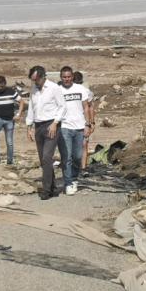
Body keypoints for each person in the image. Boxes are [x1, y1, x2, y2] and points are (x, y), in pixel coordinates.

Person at [25, 65, 67, 200]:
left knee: (47, 157)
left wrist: (55, 123)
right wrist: (29, 127)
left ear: (43, 77)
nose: (35, 82)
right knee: (44, 161)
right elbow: (31, 108)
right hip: (38, 126)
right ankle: (54, 187)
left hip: (51, 125)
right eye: (33, 80)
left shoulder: (54, 88)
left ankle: (46, 190)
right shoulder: (34, 90)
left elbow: (62, 107)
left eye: (36, 79)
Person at [57, 66, 92, 195]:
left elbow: (86, 107)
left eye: (69, 77)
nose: (66, 79)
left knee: (77, 156)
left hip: (79, 127)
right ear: (61, 78)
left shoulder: (81, 89)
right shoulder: (57, 90)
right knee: (67, 156)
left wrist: (88, 125)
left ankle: (75, 178)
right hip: (65, 127)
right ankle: (68, 183)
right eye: (64, 77)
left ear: (72, 77)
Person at [0, 75, 23, 165]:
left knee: (9, 141)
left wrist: (18, 114)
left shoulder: (11, 92)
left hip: (10, 119)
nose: (0, 88)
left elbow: (21, 101)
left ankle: (10, 160)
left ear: (5, 84)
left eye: (2, 86)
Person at [73, 71, 95, 171]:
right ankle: (82, 167)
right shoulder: (86, 91)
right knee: (83, 145)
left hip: (81, 122)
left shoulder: (85, 91)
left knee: (81, 145)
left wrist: (91, 122)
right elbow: (91, 107)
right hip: (80, 122)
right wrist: (92, 122)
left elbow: (90, 107)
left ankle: (80, 167)